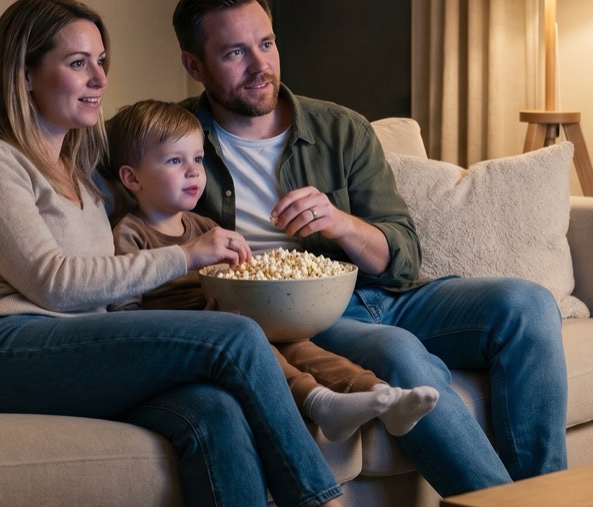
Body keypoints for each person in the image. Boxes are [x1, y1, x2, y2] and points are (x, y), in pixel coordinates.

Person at [0, 0, 569, 497]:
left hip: (378, 286)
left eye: (265, 43)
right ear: (195, 67)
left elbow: (402, 256)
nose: (260, 64)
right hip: (300, 313)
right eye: (235, 53)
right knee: (397, 352)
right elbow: (41, 141)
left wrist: (340, 222)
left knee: (526, 305)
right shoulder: (160, 138)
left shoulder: (340, 128)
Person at [0, 0, 438, 507]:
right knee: (234, 337)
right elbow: (52, 280)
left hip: (73, 349)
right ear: (23, 73)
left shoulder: (81, 163)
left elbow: (145, 158)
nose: (99, 78)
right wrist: (186, 254)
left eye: (101, 62)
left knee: (213, 410)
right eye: (77, 63)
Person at [103, 98, 439, 443]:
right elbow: (125, 313)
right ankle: (320, 402)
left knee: (300, 345)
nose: (193, 171)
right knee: (263, 350)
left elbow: (234, 278)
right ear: (131, 178)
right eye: (175, 161)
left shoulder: (205, 227)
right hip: (188, 337)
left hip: (232, 321)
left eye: (198, 159)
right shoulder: (129, 233)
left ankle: (382, 396)